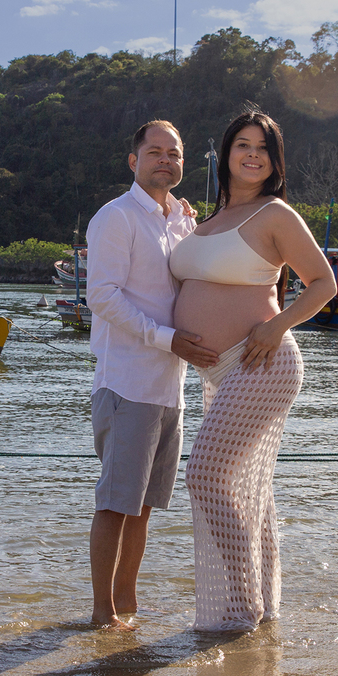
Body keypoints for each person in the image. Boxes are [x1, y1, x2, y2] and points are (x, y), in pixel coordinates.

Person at [169, 109, 337, 631]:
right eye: (242, 144)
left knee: (205, 475)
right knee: (248, 489)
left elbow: (323, 285)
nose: (252, 154)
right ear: (225, 155)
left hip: (262, 360)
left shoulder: (275, 215)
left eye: (262, 148)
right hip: (218, 372)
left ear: (273, 160)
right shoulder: (205, 220)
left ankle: (240, 603)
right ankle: (259, 607)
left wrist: (277, 326)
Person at [85, 120, 219, 630]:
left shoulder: (179, 220)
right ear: (133, 160)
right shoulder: (115, 218)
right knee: (117, 503)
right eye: (155, 152)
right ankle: (101, 614)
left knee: (143, 506)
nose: (165, 160)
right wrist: (166, 339)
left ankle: (127, 605)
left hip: (171, 386)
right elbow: (103, 296)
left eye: (174, 153)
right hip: (128, 382)